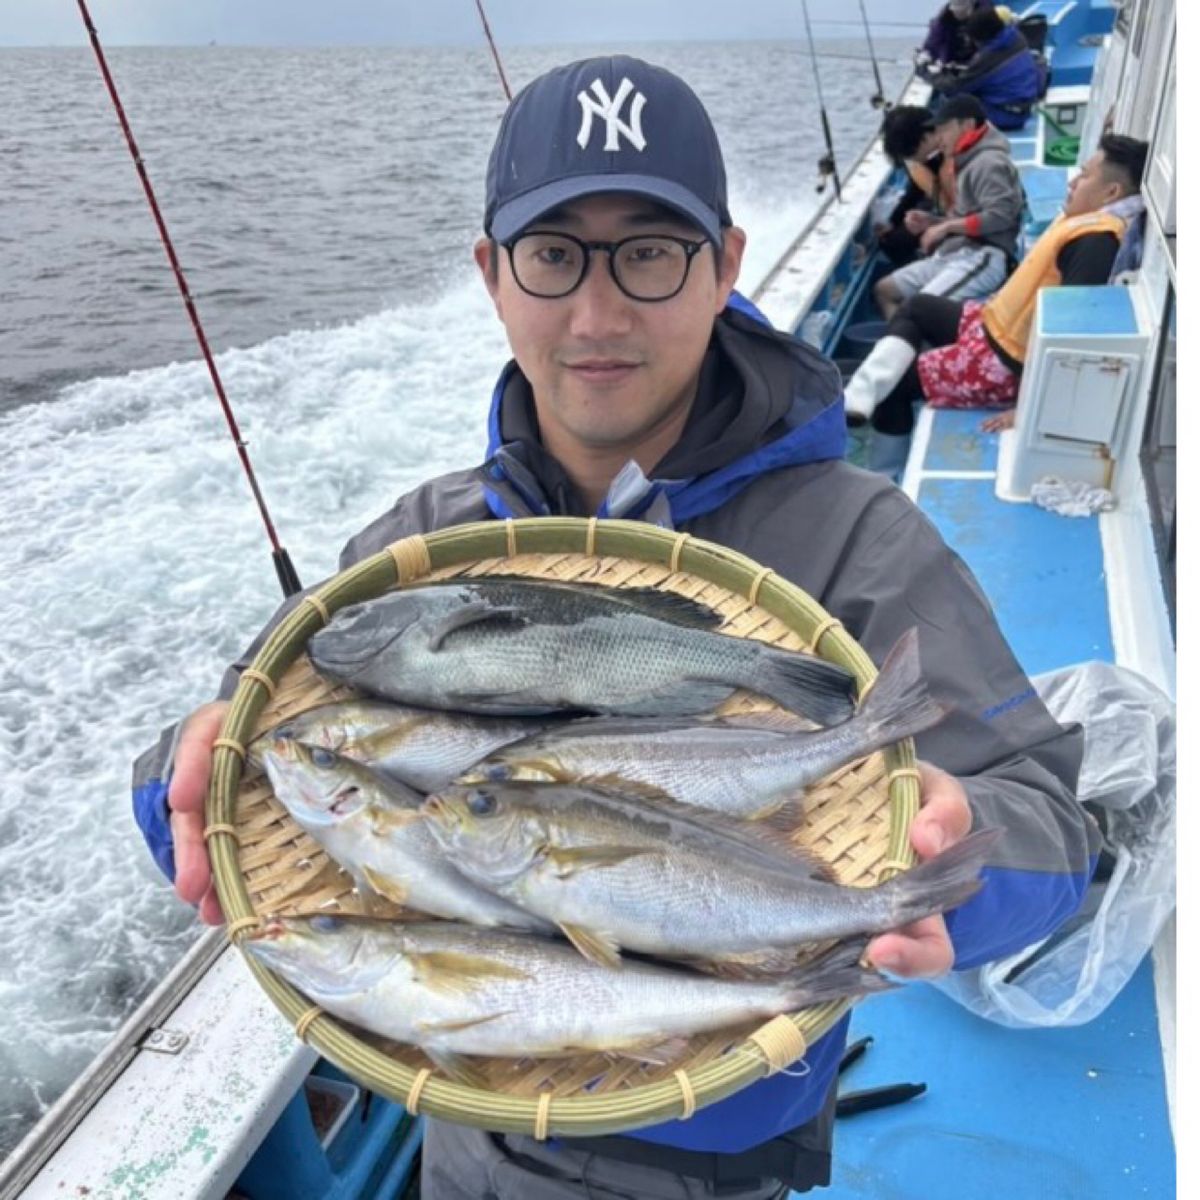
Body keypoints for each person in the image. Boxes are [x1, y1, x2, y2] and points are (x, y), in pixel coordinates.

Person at [133, 56, 1098, 1199]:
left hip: (718, 1155)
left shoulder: (863, 539)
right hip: (466, 1121)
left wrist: (958, 855)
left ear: (726, 265)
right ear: (491, 274)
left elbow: (1054, 832)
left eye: (650, 252)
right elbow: (234, 779)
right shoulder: (418, 547)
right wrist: (183, 775)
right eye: (552, 256)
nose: (598, 314)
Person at [845, 134, 1148, 469]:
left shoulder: (1095, 242)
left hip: (1002, 365)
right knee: (918, 305)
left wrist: (1031, 407)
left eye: (1086, 175)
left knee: (898, 387)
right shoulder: (1088, 224)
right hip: (990, 329)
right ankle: (863, 390)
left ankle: (886, 476)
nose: (1074, 182)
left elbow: (1074, 343)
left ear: (1111, 193)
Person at [874, 96, 1023, 321]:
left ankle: (916, 348)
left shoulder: (988, 163)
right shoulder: (963, 160)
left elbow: (1001, 216)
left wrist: (944, 228)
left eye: (944, 129)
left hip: (985, 254)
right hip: (958, 250)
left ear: (968, 125)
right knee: (884, 290)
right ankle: (903, 345)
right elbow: (965, 215)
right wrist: (932, 221)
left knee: (916, 310)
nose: (939, 137)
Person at [933, 8, 1046, 131]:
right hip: (1023, 112)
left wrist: (927, 73)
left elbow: (955, 87)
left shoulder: (988, 57)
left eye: (975, 40)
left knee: (951, 99)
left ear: (983, 37)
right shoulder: (1017, 37)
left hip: (1004, 117)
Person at [873, 106, 953, 270]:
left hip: (970, 223)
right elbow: (915, 191)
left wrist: (938, 223)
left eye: (910, 152)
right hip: (947, 211)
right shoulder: (926, 158)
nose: (911, 159)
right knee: (893, 241)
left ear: (925, 138)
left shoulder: (955, 158)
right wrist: (892, 222)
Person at [915, 0, 993, 81]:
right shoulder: (943, 19)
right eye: (955, 8)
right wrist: (926, 55)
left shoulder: (985, 14)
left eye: (961, 8)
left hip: (981, 64)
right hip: (953, 64)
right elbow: (933, 42)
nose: (957, 12)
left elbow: (993, 42)